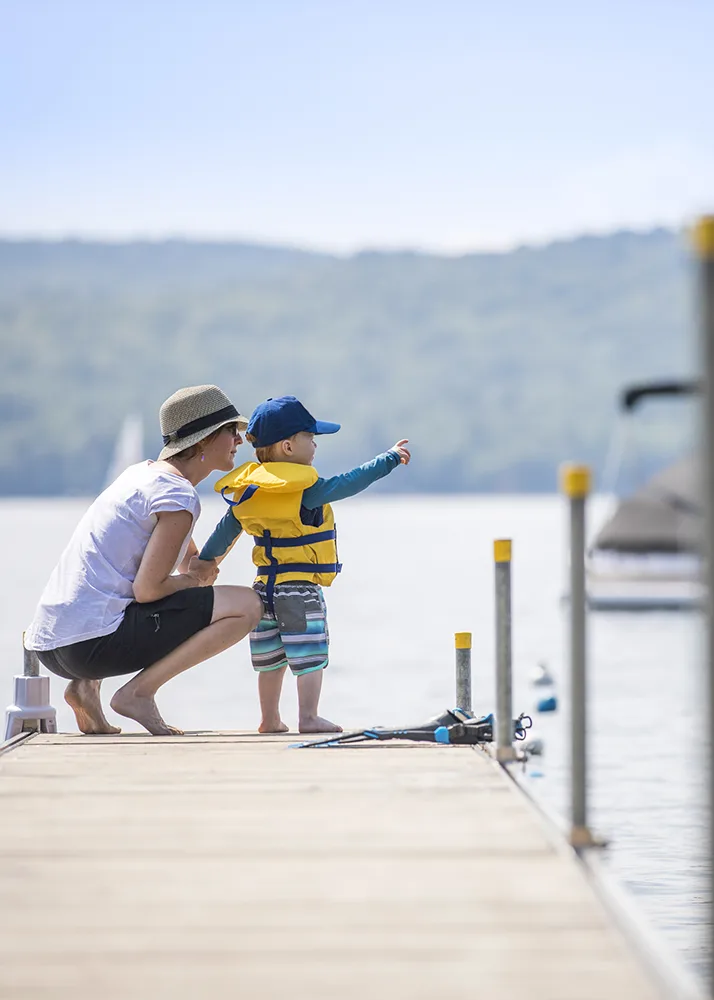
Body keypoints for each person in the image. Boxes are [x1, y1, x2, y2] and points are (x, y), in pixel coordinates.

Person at [24, 385, 263, 736]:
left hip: (51, 645)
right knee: (248, 605)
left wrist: (237, 524)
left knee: (116, 592)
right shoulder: (178, 496)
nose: (239, 440)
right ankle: (139, 693)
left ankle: (85, 688)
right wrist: (194, 580)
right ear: (202, 442)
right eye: (231, 430)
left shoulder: (142, 476)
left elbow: (190, 564)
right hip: (89, 646)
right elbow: (150, 589)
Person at [195, 395, 410, 734]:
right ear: (288, 447)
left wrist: (203, 563)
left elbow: (224, 534)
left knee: (271, 659)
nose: (315, 445)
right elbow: (351, 481)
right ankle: (308, 717)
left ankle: (269, 718)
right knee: (310, 656)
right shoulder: (306, 491)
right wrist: (389, 460)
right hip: (299, 589)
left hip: (262, 589)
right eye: (310, 438)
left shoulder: (247, 493)